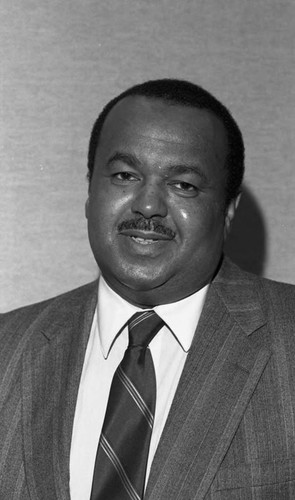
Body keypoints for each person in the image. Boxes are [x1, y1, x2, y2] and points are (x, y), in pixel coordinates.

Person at [0, 79, 294, 500]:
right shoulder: (7, 350)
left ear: (228, 210)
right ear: (89, 191)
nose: (149, 205)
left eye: (184, 185)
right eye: (124, 175)